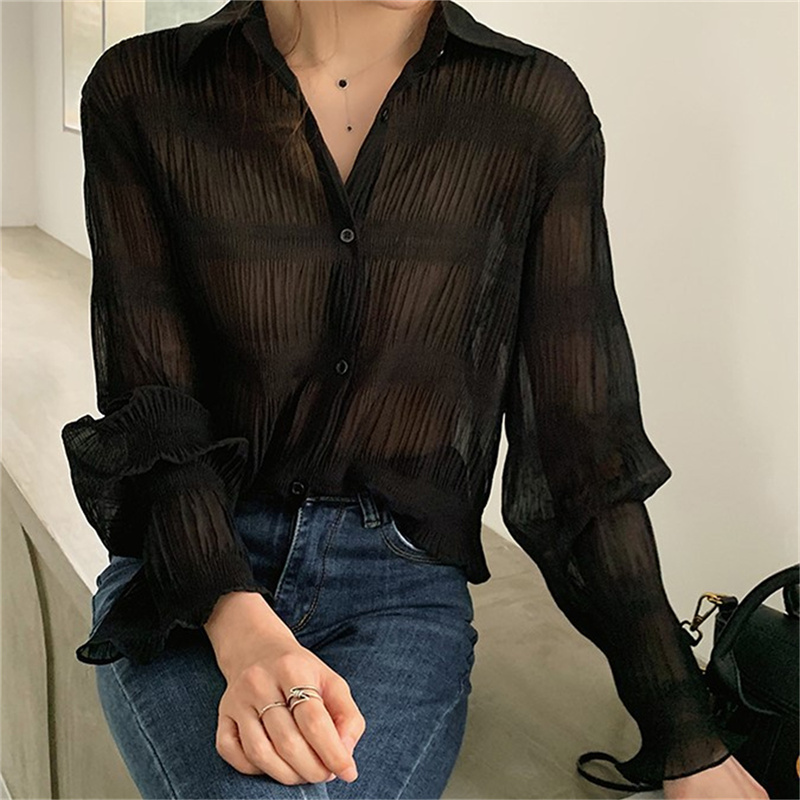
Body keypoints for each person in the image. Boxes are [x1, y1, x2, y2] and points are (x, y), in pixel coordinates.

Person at [60, 1, 767, 798]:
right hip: (190, 573)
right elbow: (153, 405)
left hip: (395, 591)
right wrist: (240, 624)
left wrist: (687, 738)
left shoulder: (533, 109)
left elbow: (578, 450)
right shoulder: (144, 88)